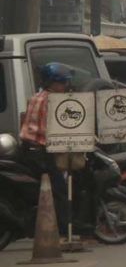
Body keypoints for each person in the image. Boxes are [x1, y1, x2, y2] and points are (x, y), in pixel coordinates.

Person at [20, 62, 73, 231]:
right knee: (59, 190)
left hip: (28, 149)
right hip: (41, 151)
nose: (65, 86)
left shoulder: (36, 97)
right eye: (63, 82)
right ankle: (63, 230)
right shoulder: (52, 101)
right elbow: (51, 130)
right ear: (53, 83)